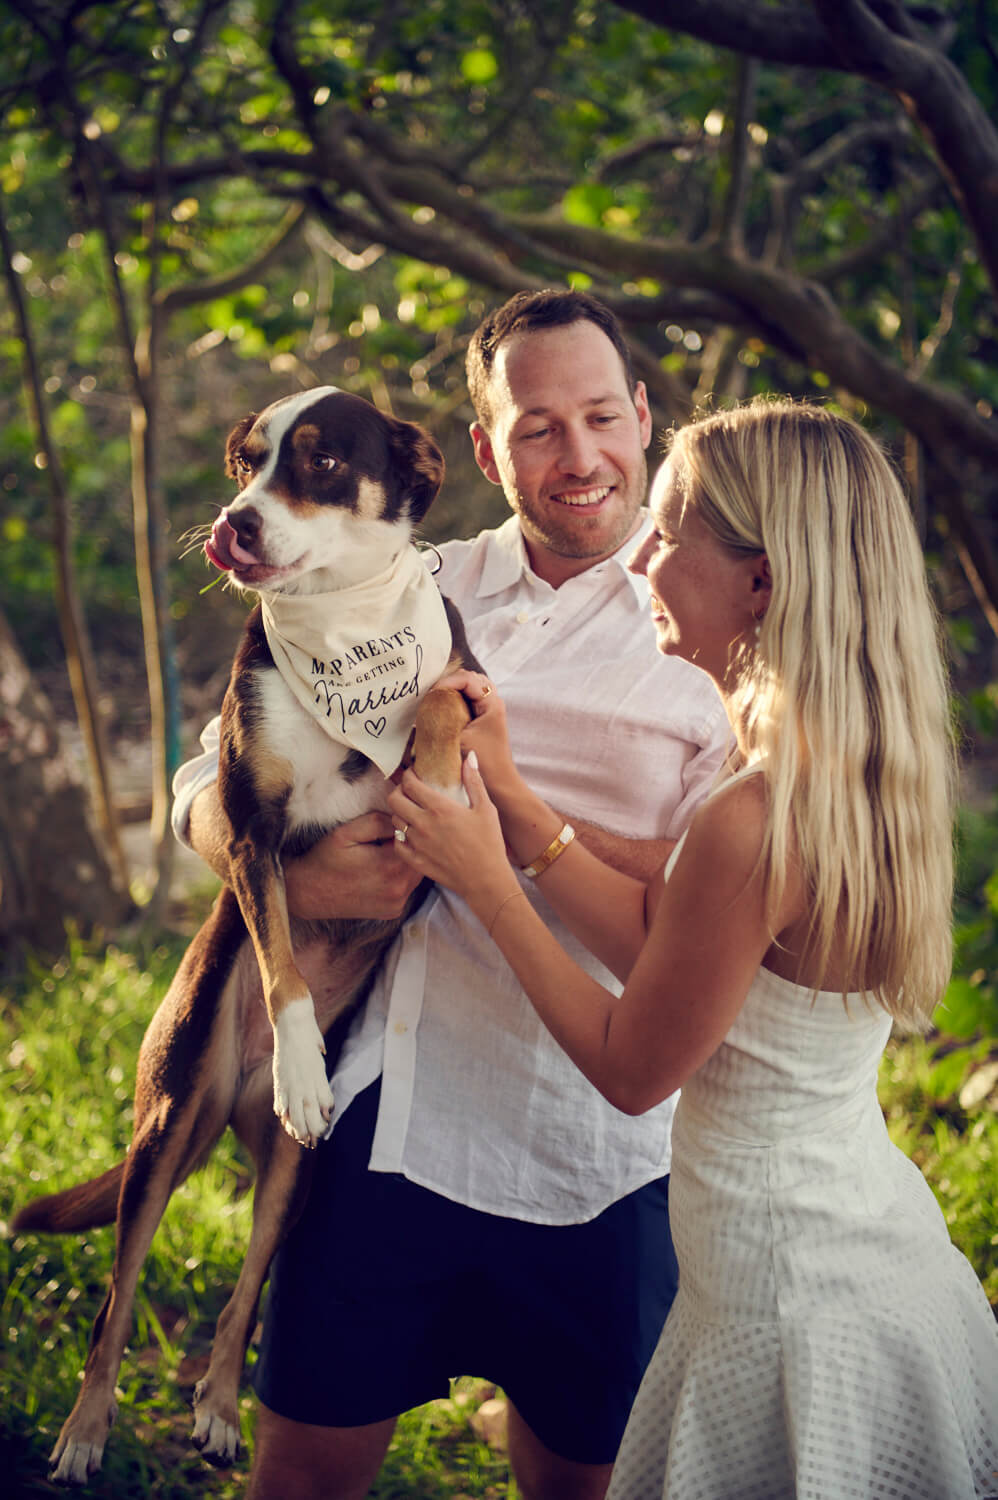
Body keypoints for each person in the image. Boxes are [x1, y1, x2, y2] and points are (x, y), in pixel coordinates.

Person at [171, 289, 732, 1500]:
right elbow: (198, 778)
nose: (577, 457)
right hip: (388, 1115)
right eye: (536, 427)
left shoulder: (713, 632)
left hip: (591, 1151)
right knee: (301, 1470)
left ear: (642, 417)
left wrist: (510, 847)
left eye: (599, 417)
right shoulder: (392, 580)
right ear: (484, 449)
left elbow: (687, 939)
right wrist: (278, 857)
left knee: (577, 1480)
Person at [387, 397, 998, 1499]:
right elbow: (682, 945)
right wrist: (516, 808)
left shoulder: (750, 814)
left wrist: (481, 879)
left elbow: (633, 1067)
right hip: (860, 1244)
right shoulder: (844, 770)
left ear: (759, 582)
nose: (638, 565)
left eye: (667, 537)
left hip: (784, 1302)